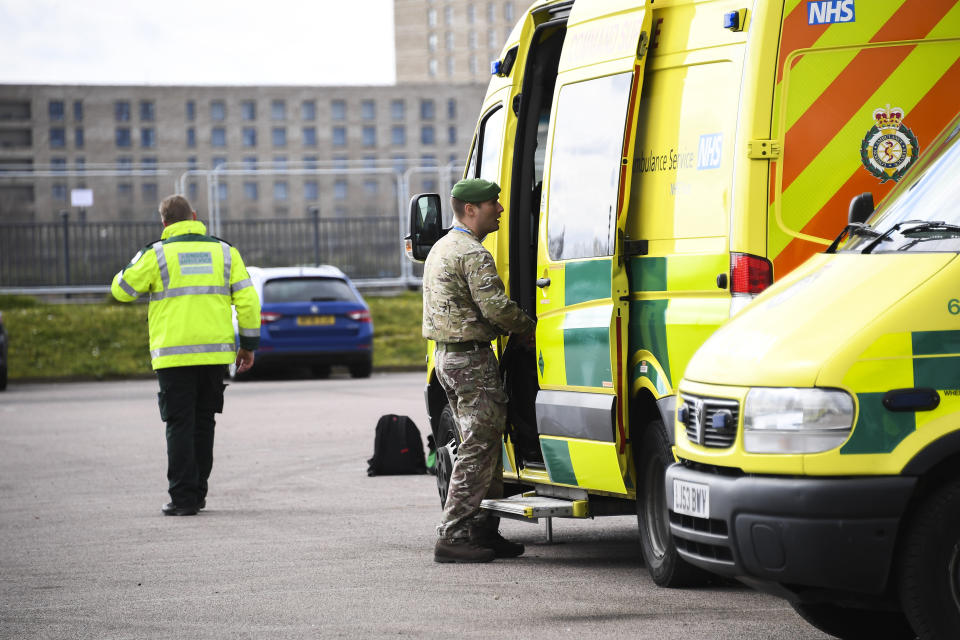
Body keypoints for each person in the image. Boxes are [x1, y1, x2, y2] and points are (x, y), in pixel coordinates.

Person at [111, 194, 261, 516]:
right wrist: (247, 345)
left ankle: (183, 499)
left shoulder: (156, 254)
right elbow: (248, 301)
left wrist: (139, 258)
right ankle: (198, 494)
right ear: (194, 216)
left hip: (174, 356)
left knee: (179, 424)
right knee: (204, 422)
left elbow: (120, 290)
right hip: (214, 355)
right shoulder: (225, 252)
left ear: (164, 222)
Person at [422, 178, 537, 563]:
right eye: (493, 204)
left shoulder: (442, 247)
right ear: (470, 210)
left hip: (448, 358)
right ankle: (453, 535)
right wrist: (528, 326)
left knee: (484, 442)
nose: (501, 209)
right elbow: (496, 308)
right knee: (477, 446)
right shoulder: (472, 253)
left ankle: (483, 530)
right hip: (470, 360)